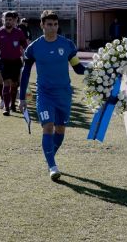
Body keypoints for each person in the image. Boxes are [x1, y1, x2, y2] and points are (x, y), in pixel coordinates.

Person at [19, 10, 86, 181]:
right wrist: (22, 98)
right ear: (42, 25)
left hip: (64, 94)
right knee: (47, 126)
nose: (53, 28)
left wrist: (99, 69)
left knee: (60, 129)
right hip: (45, 94)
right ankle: (52, 166)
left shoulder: (67, 44)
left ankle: (50, 156)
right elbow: (25, 73)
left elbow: (78, 68)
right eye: (49, 24)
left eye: (55, 24)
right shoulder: (33, 47)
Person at [0, 11, 28, 116]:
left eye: (10, 20)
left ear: (14, 21)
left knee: (15, 84)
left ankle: (13, 105)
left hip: (16, 61)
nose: (8, 21)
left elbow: (25, 45)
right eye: (6, 20)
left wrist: (27, 55)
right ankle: (6, 108)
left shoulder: (19, 32)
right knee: (6, 83)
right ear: (3, 20)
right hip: (4, 61)